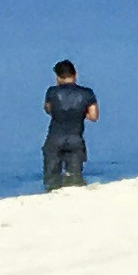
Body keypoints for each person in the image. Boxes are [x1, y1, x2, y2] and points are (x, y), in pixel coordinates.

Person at [42, 59, 98, 187]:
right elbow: (94, 116)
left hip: (54, 139)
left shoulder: (52, 92)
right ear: (75, 74)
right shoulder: (87, 93)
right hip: (75, 139)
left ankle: (51, 194)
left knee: (51, 176)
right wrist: (79, 112)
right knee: (75, 177)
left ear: (58, 77)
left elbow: (48, 109)